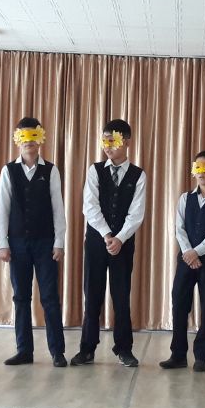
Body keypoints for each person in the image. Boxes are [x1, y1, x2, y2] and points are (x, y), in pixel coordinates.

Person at [71, 119, 146, 367]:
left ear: (127, 142)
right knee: (92, 295)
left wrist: (120, 238)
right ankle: (87, 348)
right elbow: (89, 206)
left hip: (123, 245)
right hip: (96, 242)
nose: (108, 146)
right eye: (104, 141)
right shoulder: (95, 170)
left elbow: (136, 213)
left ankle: (124, 349)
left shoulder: (138, 175)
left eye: (113, 141)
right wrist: (106, 235)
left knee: (121, 297)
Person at [0, 117, 67, 367]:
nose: (29, 142)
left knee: (50, 297)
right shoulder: (8, 171)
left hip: (45, 242)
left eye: (33, 137)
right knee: (21, 297)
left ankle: (57, 351)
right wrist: (2, 242)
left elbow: (58, 207)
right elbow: (3, 208)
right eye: (24, 137)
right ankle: (24, 350)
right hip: (17, 243)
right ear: (17, 140)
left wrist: (59, 241)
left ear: (41, 139)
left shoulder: (51, 170)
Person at [159, 151, 205, 372]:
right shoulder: (185, 198)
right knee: (179, 304)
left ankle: (201, 357)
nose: (201, 172)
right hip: (185, 260)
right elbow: (179, 228)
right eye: (197, 167)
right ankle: (178, 355)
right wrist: (189, 253)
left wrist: (197, 252)